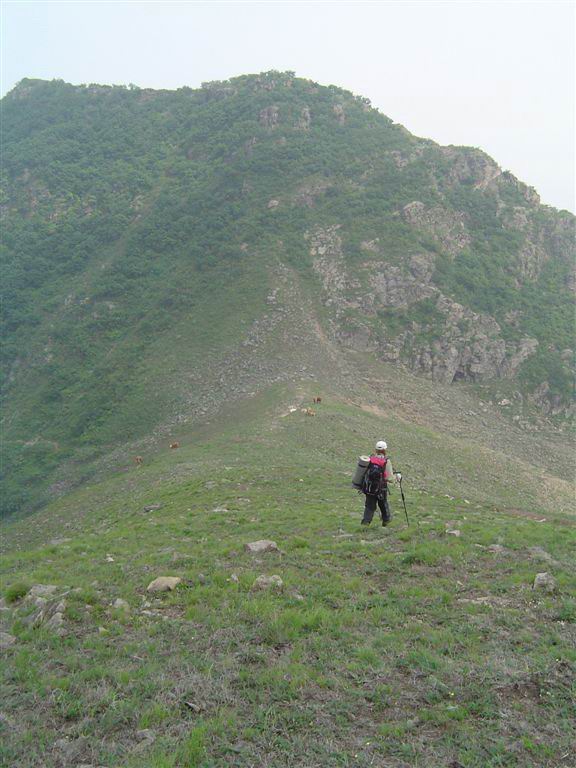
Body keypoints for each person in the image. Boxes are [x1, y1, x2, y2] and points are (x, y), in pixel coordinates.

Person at [361, 440, 395, 527]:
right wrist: (396, 477)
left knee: (369, 506)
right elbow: (389, 478)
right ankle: (386, 521)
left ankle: (365, 524)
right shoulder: (386, 461)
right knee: (383, 504)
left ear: (376, 449)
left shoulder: (370, 458)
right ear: (385, 450)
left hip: (369, 487)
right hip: (381, 488)